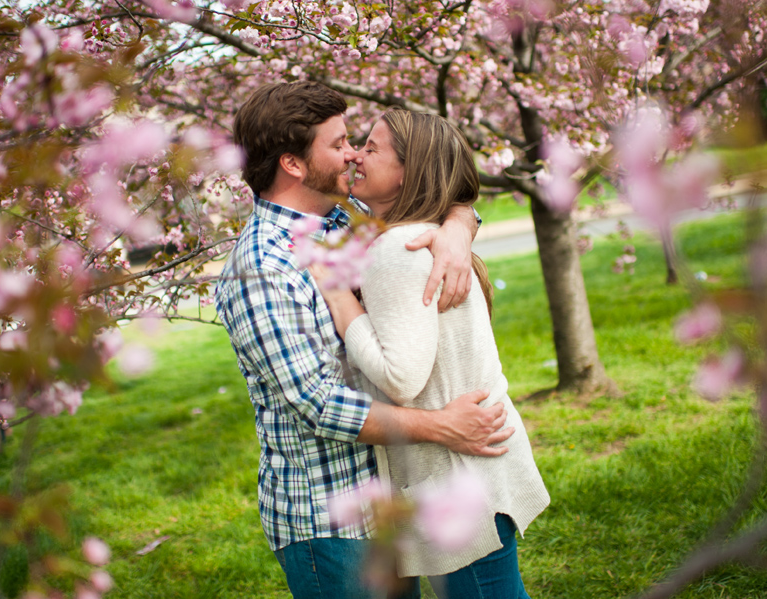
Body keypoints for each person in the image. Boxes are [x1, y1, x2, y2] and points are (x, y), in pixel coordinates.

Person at [214, 81, 514, 599]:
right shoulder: (263, 268)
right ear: (293, 165)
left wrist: (458, 230)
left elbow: (435, 193)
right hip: (330, 518)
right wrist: (442, 427)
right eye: (339, 143)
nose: (353, 154)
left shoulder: (341, 218)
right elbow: (318, 404)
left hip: (389, 496)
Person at [311, 109, 550, 599]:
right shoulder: (412, 233)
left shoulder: (398, 246)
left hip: (455, 479)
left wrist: (338, 298)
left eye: (372, 148)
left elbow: (401, 378)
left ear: (408, 172)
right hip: (472, 470)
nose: (356, 154)